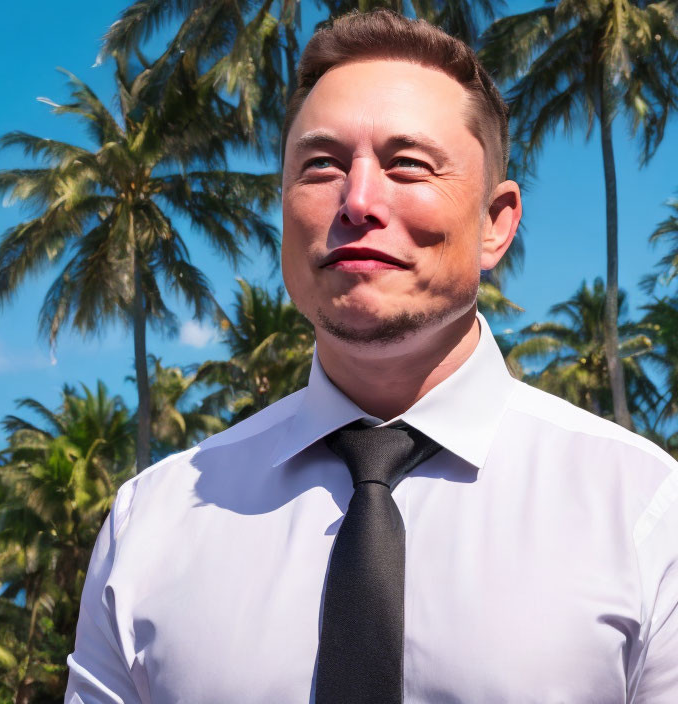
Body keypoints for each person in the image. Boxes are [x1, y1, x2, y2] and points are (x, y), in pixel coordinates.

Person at [65, 10, 678, 703]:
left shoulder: (644, 512)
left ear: (495, 224)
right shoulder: (152, 523)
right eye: (321, 165)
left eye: (407, 165)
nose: (357, 201)